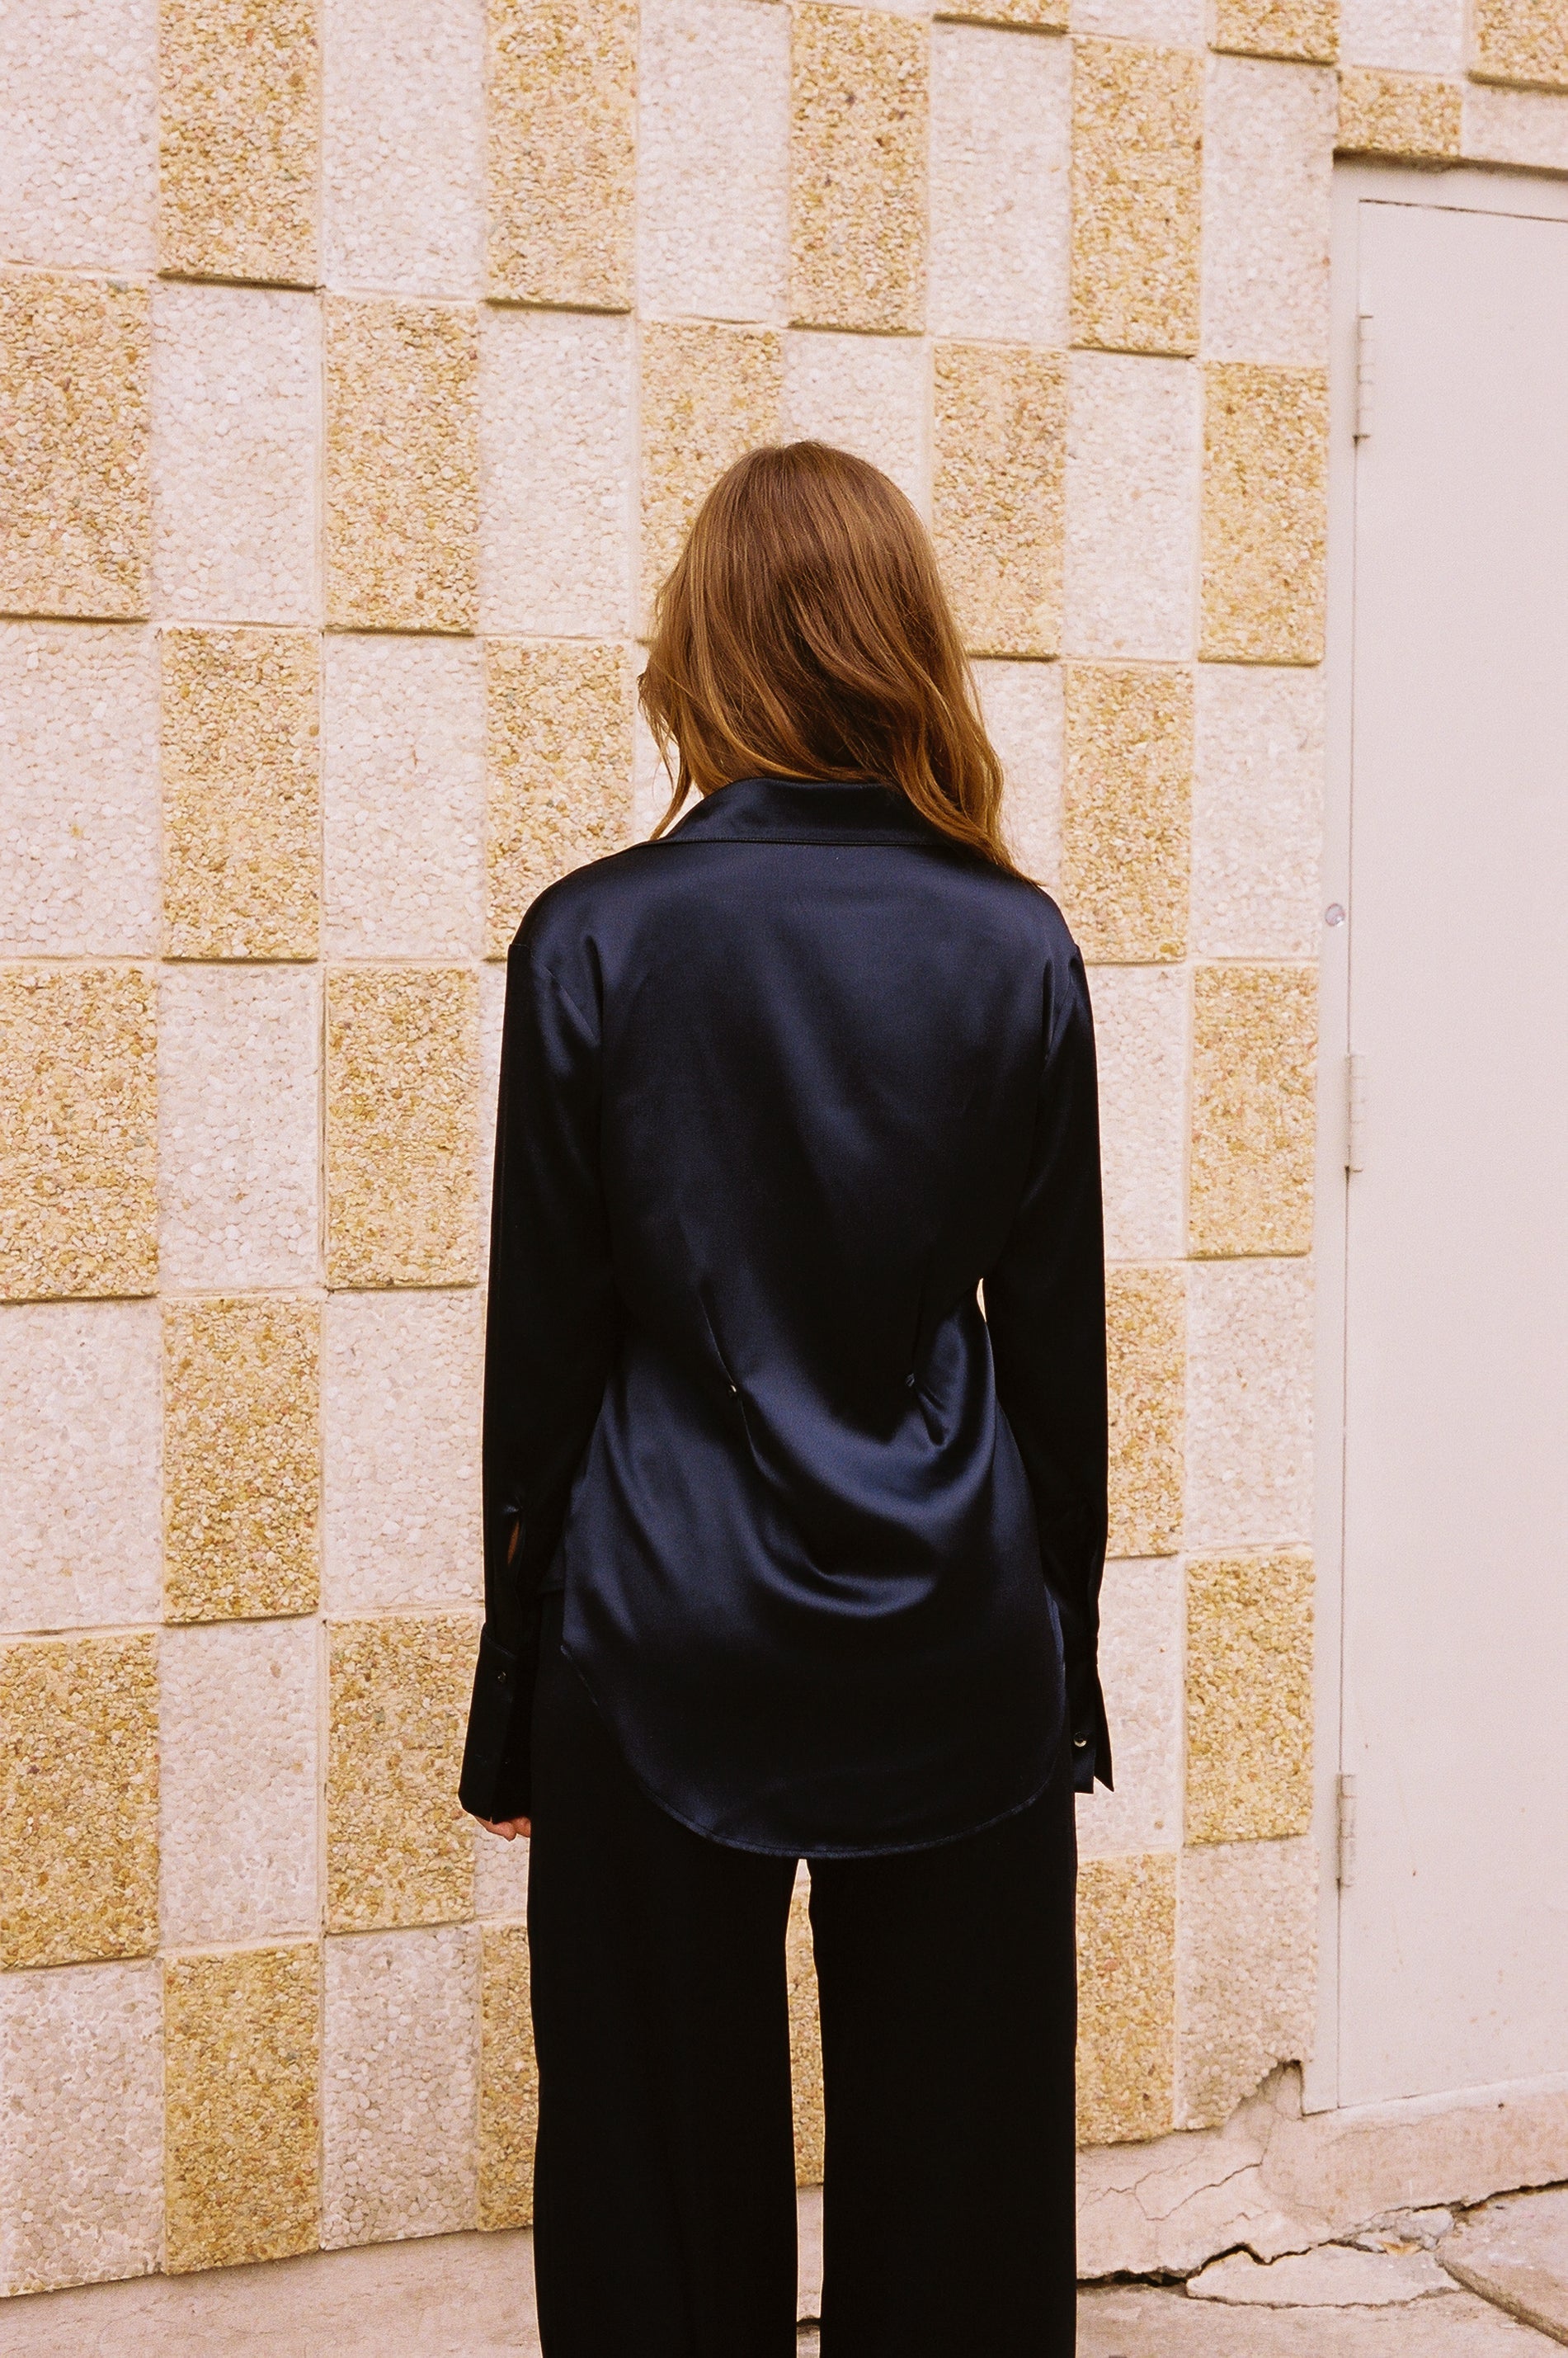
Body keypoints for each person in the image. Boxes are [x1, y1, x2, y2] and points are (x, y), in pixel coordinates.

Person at [459, 441, 1110, 2358]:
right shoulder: (1019, 942)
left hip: (661, 1637)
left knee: (655, 2210)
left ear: (702, 644)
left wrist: (518, 1709)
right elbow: (1058, 1363)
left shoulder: (595, 936)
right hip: (956, 1634)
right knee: (967, 2217)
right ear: (905, 641)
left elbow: (547, 1372)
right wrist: (1061, 1668)